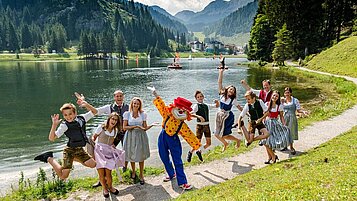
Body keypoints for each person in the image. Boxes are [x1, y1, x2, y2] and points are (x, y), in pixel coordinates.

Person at [34, 95, 97, 180]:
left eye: (70, 114)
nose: (68, 117)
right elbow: (52, 138)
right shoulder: (64, 125)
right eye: (65, 115)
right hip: (69, 151)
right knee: (63, 176)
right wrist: (54, 125)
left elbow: (95, 111)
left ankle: (73, 159)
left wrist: (86, 104)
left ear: (75, 113)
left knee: (93, 164)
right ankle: (49, 158)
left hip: (80, 150)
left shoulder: (82, 118)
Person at [150, 86, 201, 190]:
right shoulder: (167, 114)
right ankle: (171, 173)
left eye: (183, 110)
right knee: (163, 156)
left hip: (173, 139)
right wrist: (155, 94)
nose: (181, 111)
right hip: (163, 136)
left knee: (177, 160)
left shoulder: (182, 124)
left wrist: (196, 146)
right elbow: (161, 106)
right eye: (179, 108)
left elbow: (189, 135)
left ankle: (183, 182)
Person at [93, 90, 129, 187]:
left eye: (121, 96)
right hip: (112, 133)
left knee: (125, 150)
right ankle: (101, 179)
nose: (119, 98)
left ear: (123, 97)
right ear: (114, 97)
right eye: (117, 96)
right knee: (104, 156)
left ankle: (125, 167)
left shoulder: (128, 107)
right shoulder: (109, 108)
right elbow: (96, 111)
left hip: (123, 132)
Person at [123, 97, 155, 185]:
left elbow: (144, 128)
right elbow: (124, 127)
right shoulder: (127, 114)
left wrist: (152, 125)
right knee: (131, 154)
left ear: (140, 105)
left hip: (141, 136)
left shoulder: (143, 114)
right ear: (132, 104)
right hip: (130, 136)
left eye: (137, 103)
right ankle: (133, 171)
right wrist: (135, 127)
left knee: (141, 155)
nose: (136, 105)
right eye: (134, 103)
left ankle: (141, 174)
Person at [92, 112, 123, 198]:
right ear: (109, 119)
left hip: (108, 152)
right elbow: (94, 137)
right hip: (99, 151)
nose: (114, 121)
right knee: (101, 173)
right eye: (112, 119)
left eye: (116, 120)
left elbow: (112, 142)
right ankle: (104, 188)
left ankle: (110, 187)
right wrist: (93, 144)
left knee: (108, 172)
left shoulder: (115, 131)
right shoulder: (101, 127)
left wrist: (113, 145)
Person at [187, 90, 219, 162]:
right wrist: (199, 117)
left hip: (207, 126)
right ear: (196, 99)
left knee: (209, 143)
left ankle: (199, 151)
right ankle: (190, 152)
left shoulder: (206, 105)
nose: (200, 98)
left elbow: (217, 106)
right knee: (197, 143)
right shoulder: (196, 106)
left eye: (201, 96)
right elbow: (189, 114)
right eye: (198, 97)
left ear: (203, 97)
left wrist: (217, 102)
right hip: (200, 127)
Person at [215, 68, 242, 152]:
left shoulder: (233, 100)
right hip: (219, 115)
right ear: (227, 89)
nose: (232, 91)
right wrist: (221, 72)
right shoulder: (222, 95)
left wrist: (247, 113)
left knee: (224, 135)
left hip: (227, 117)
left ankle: (236, 141)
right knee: (216, 134)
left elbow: (239, 108)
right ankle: (226, 143)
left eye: (233, 90)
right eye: (230, 89)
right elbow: (219, 83)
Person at [263, 91, 292, 164]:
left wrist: (284, 125)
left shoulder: (279, 106)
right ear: (271, 96)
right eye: (274, 95)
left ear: (278, 98)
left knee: (269, 141)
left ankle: (272, 156)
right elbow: (264, 115)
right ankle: (271, 156)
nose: (274, 97)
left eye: (276, 96)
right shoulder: (266, 104)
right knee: (265, 141)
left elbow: (281, 116)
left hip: (275, 124)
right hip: (267, 124)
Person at [281, 87, 308, 155]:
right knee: (284, 131)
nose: (286, 94)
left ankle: (291, 147)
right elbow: (279, 109)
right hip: (284, 118)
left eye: (288, 92)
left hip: (292, 118)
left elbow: (298, 110)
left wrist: (303, 112)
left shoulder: (295, 100)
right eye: (285, 93)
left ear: (290, 93)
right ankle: (284, 145)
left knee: (290, 132)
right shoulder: (282, 100)